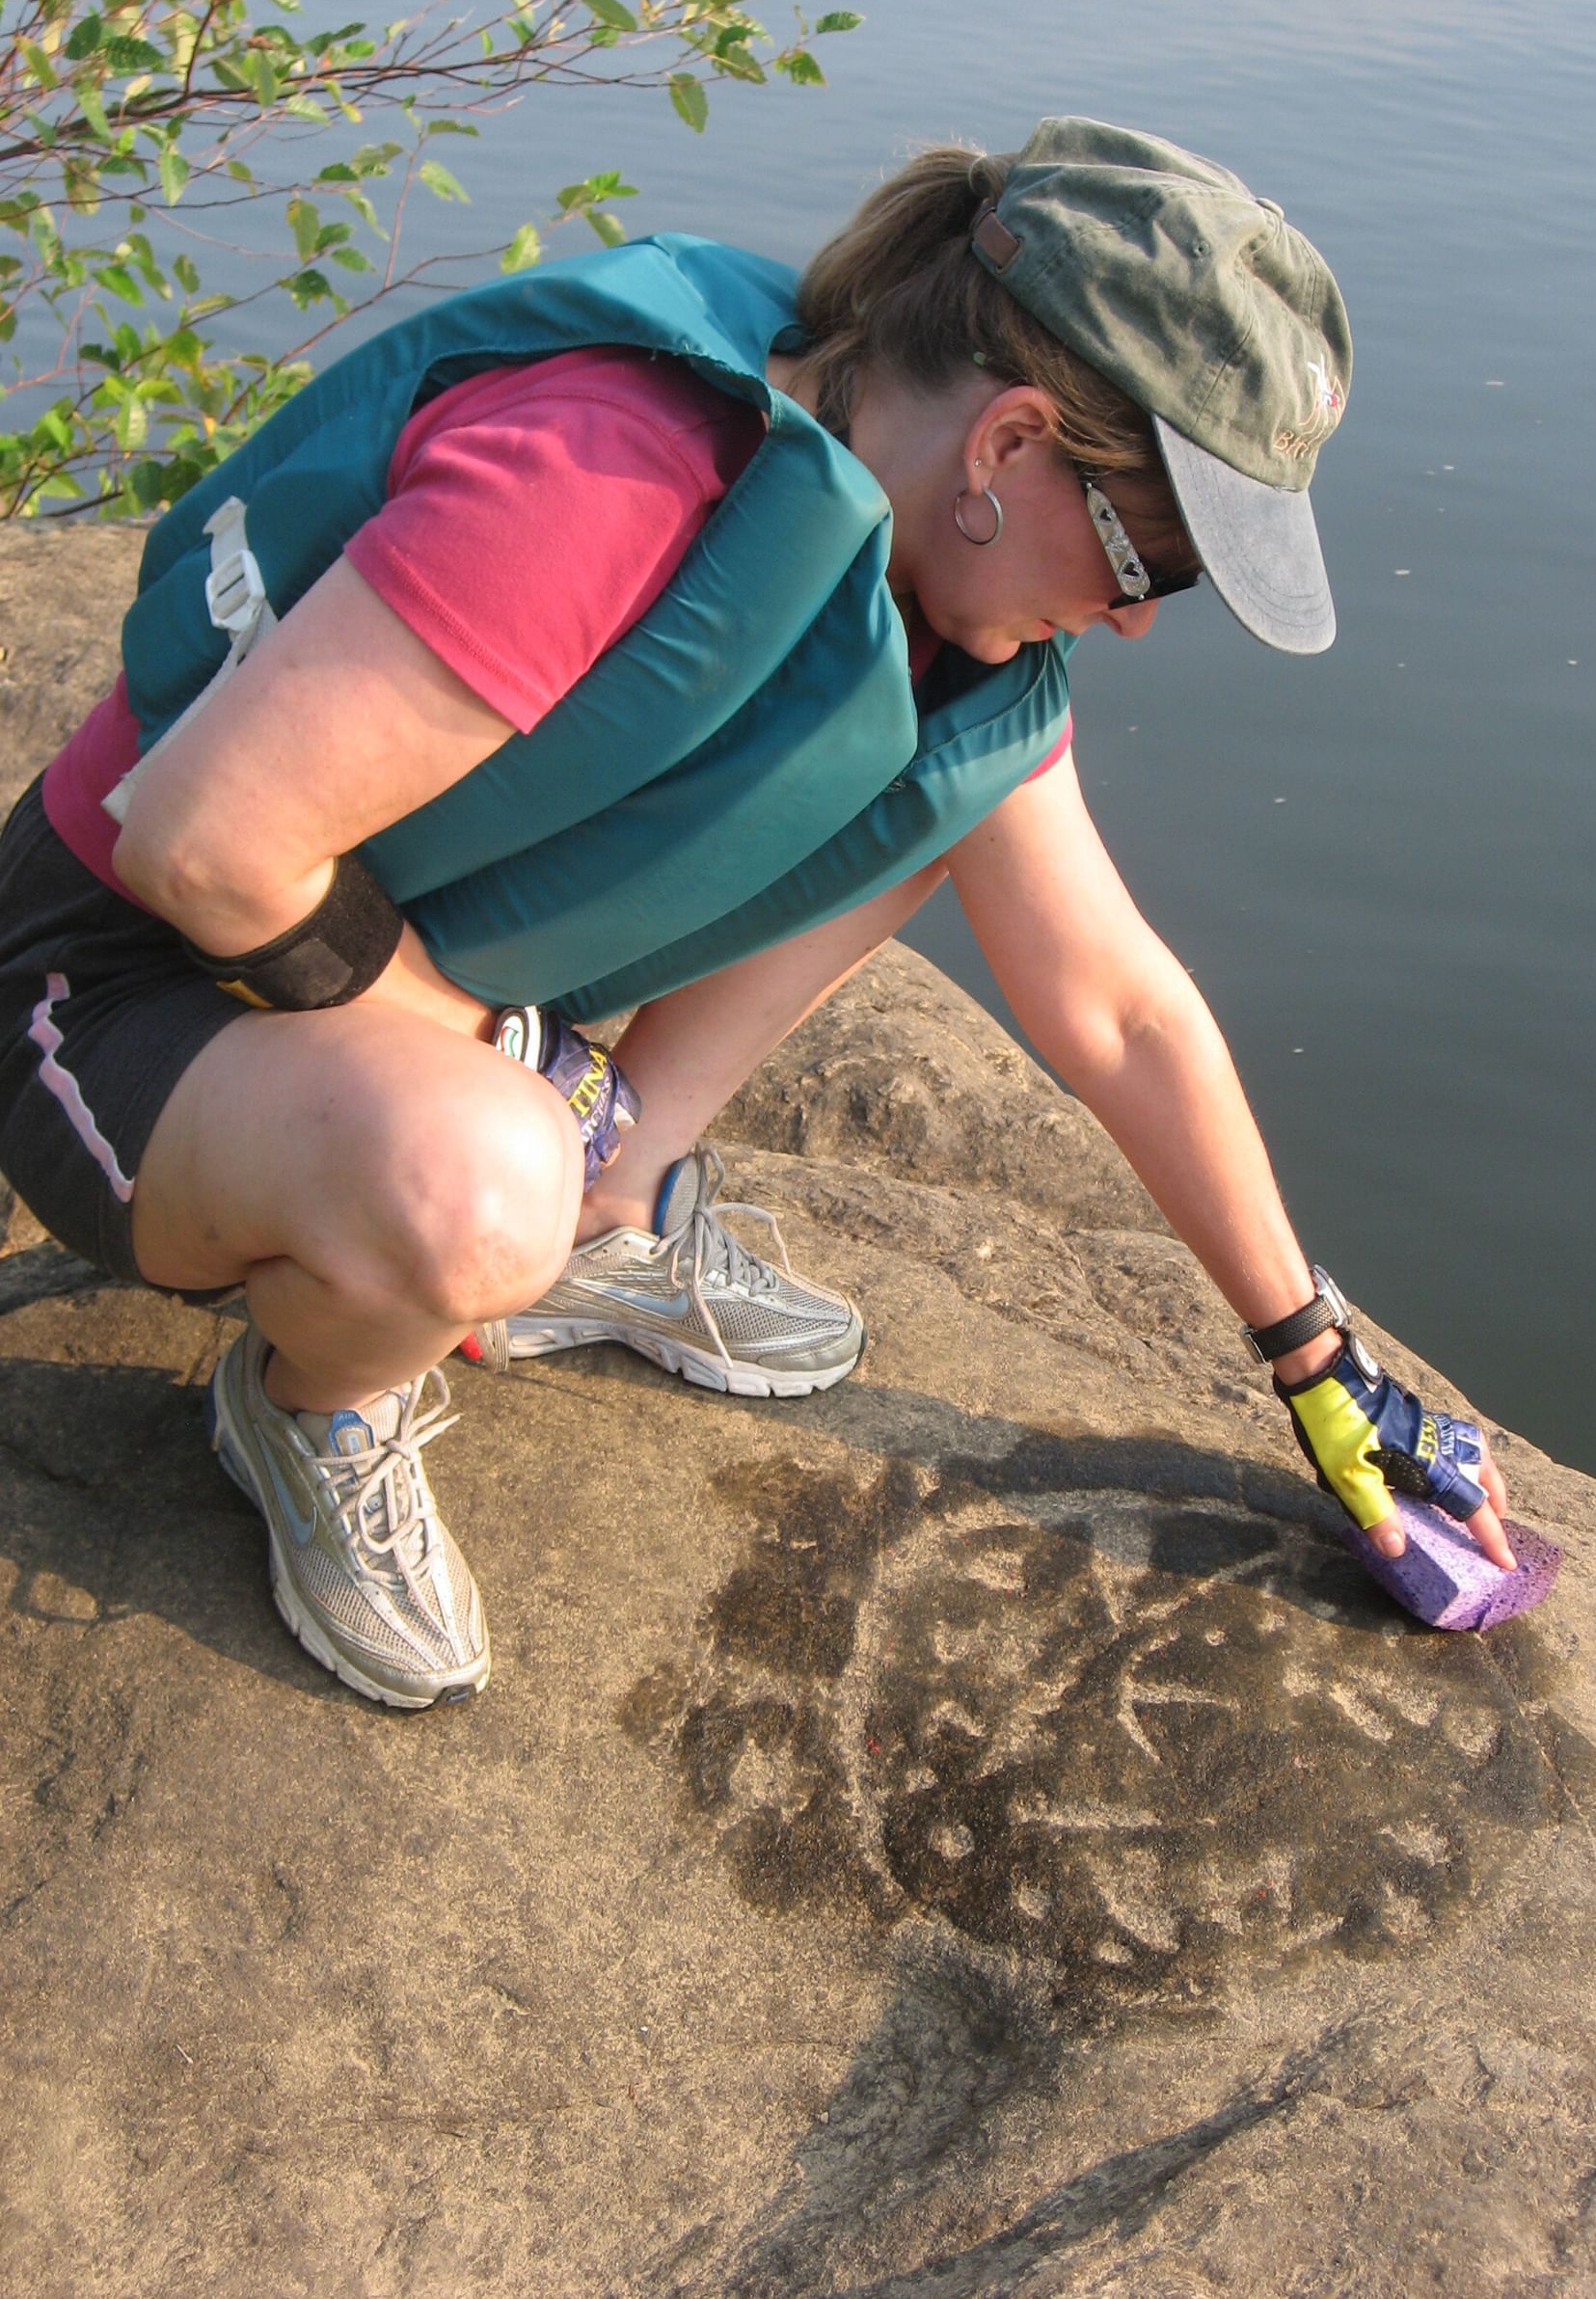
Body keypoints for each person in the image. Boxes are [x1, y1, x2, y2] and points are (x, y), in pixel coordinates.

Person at [0, 118, 1516, 1709]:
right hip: (120, 999)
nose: (1139, 619)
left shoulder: (946, 624)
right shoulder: (613, 473)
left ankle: (607, 1204)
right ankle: (311, 1401)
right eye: (1164, 554)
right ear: (1006, 447)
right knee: (478, 1189)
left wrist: (1318, 1363)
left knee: (945, 783)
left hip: (368, 1013)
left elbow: (1118, 1005)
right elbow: (206, 848)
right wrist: (524, 1069)